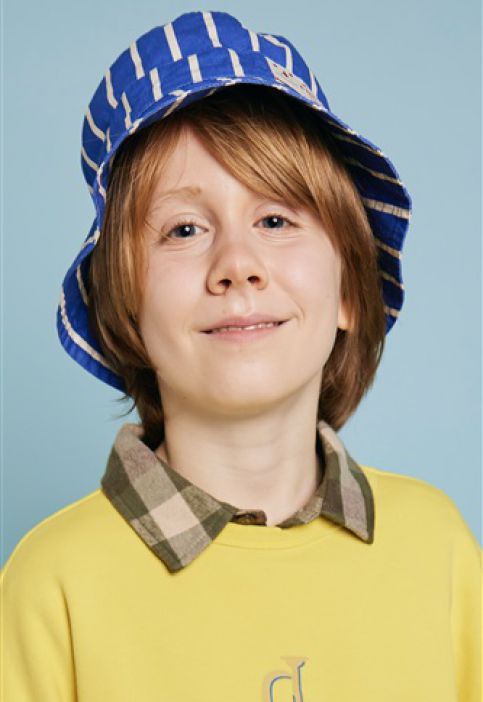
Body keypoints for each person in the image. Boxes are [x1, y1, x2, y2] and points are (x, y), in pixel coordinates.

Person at [1, 10, 481, 702]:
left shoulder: (439, 549)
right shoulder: (52, 586)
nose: (237, 265)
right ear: (126, 307)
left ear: (350, 289)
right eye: (183, 230)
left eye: (275, 219)